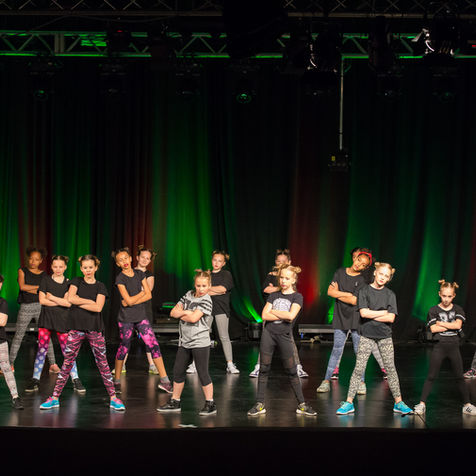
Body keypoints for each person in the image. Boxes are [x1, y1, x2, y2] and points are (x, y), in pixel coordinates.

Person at [39, 255, 125, 411]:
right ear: (81, 269)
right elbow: (71, 299)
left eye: (90, 267)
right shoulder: (76, 281)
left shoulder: (100, 286)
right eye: (85, 268)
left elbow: (97, 308)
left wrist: (81, 301)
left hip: (94, 329)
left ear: (96, 268)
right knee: (67, 363)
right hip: (76, 328)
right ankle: (55, 398)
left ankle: (113, 398)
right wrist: (89, 301)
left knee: (102, 363)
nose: (88, 270)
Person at [336, 262, 412, 415]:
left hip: (385, 337)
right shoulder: (364, 291)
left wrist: (373, 313)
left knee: (391, 370)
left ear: (389, 278)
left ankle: (399, 402)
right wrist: (383, 312)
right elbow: (364, 313)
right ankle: (349, 403)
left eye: (386, 276)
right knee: (359, 369)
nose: (383, 277)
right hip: (367, 335)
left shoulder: (390, 294)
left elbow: (391, 318)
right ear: (375, 273)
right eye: (381, 274)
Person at [248, 264, 316, 417]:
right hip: (269, 334)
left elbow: (290, 316)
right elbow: (264, 315)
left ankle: (302, 404)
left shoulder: (297, 297)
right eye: (281, 278)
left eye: (287, 278)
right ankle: (259, 404)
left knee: (292, 371)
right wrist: (281, 313)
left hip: (284, 336)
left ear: (293, 280)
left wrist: (273, 311)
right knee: (263, 369)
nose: (283, 281)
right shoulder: (274, 295)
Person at [317, 249, 385, 394]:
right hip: (340, 316)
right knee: (336, 349)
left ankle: (361, 382)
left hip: (356, 318)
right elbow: (330, 292)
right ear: (355, 258)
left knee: (358, 351)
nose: (359, 264)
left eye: (363, 265)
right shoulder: (340, 272)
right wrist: (346, 294)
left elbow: (354, 301)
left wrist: (339, 293)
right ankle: (326, 380)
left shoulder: (362, 280)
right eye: (359, 260)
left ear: (365, 268)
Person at [112, 248, 171, 393]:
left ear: (131, 258)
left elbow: (148, 295)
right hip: (126, 318)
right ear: (118, 264)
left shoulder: (140, 274)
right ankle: (117, 381)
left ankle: (165, 381)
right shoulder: (120, 278)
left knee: (154, 345)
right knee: (124, 346)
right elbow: (129, 300)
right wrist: (139, 295)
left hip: (141, 316)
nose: (124, 261)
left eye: (126, 258)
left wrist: (131, 300)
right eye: (120, 260)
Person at [158, 270, 216, 415]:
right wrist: (188, 312)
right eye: (198, 285)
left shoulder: (207, 300)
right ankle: (175, 402)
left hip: (200, 342)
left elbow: (193, 319)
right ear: (194, 285)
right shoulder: (188, 294)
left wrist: (183, 313)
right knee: (178, 371)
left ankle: (210, 403)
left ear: (209, 286)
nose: (201, 289)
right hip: (184, 341)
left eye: (204, 286)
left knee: (203, 373)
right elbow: (173, 312)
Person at [414, 280, 476, 416]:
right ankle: (422, 404)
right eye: (444, 296)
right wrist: (450, 325)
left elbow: (458, 326)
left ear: (454, 296)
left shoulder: (458, 309)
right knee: (431, 376)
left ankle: (467, 405)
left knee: (459, 377)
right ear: (439, 294)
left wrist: (441, 323)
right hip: (439, 347)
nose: (446, 299)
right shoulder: (433, 310)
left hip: (454, 347)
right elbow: (433, 329)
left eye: (449, 296)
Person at [25, 255, 85, 393]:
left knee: (67, 351)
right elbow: (42, 301)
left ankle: (75, 379)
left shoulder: (69, 283)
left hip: (62, 320)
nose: (58, 269)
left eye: (60, 266)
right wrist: (60, 301)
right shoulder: (45, 280)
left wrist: (51, 297)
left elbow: (68, 303)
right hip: (46, 319)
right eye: (55, 266)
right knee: (42, 349)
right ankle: (35, 379)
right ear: (51, 267)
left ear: (65, 267)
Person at [249, 249, 309, 378]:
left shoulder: (291, 278)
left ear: (289, 262)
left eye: (286, 279)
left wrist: (275, 289)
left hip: (284, 315)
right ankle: (259, 366)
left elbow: (290, 313)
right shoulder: (271, 275)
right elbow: (266, 290)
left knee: (290, 341)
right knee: (265, 342)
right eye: (278, 261)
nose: (283, 280)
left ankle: (297, 367)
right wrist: (278, 290)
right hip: (271, 315)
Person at [187, 250, 239, 374]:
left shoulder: (226, 274)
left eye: (219, 261)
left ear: (223, 263)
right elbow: (201, 291)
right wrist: (212, 290)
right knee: (202, 336)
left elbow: (223, 289)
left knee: (224, 336)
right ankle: (195, 364)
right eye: (215, 260)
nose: (216, 263)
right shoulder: (207, 274)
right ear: (211, 260)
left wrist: (209, 289)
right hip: (206, 308)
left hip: (221, 308)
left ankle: (230, 364)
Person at [10, 247, 58, 372]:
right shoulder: (22, 270)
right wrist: (39, 288)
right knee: (18, 335)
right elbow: (22, 287)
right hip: (25, 307)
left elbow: (45, 291)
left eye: (36, 259)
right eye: (31, 258)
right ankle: (10, 364)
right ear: (28, 258)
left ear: (41, 261)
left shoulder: (44, 275)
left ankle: (53, 364)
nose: (33, 261)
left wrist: (34, 289)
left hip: (41, 307)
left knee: (46, 335)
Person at [0, 275, 23, 409]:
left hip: (0, 341)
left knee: (7, 369)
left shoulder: (2, 302)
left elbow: (2, 322)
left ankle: (15, 397)